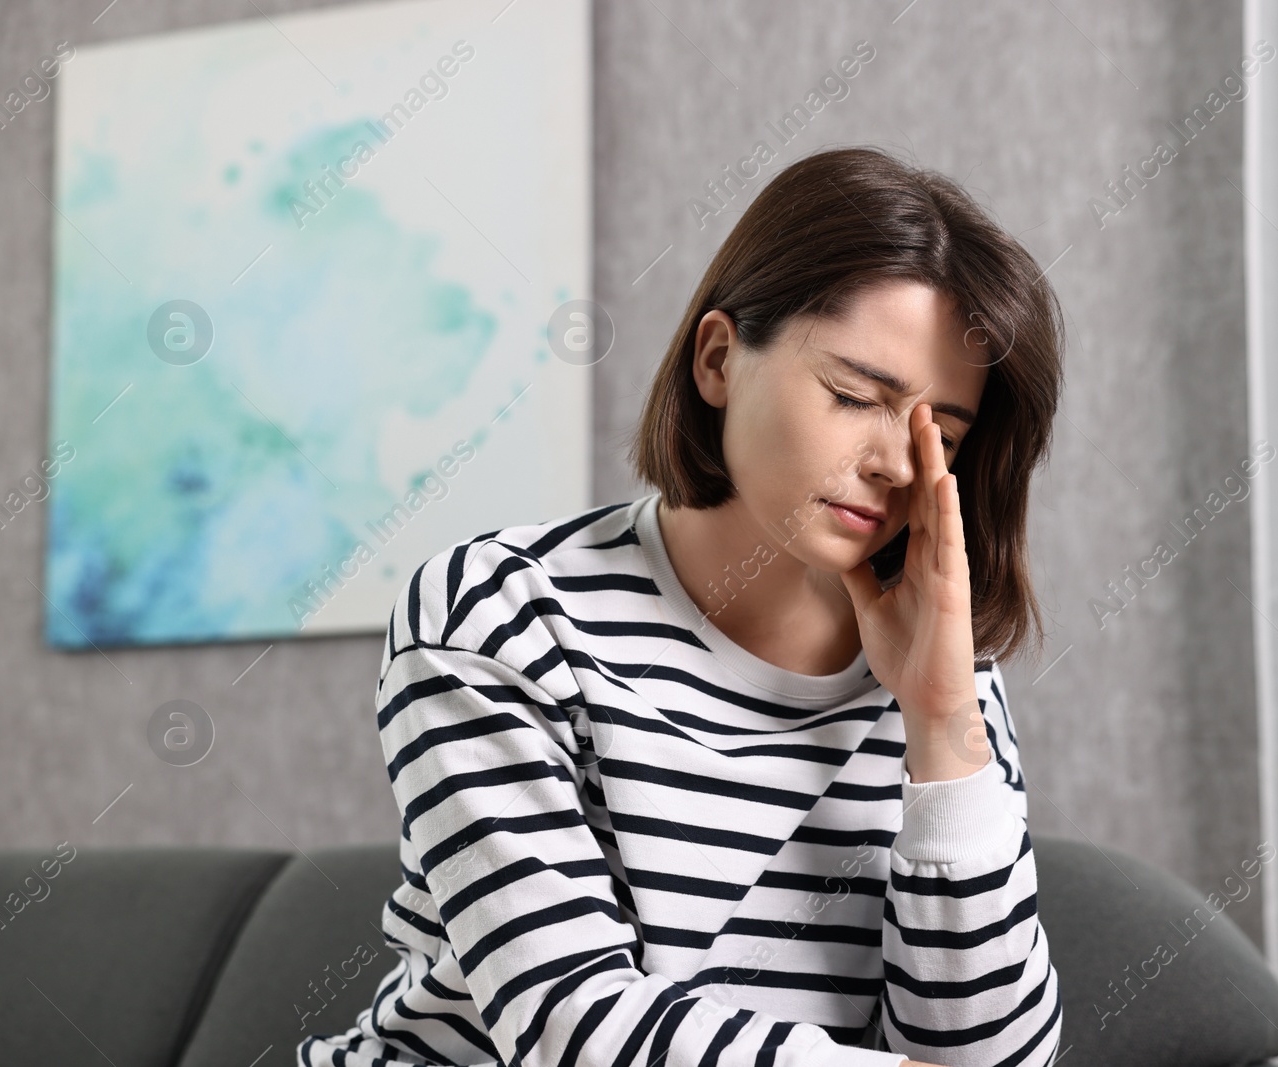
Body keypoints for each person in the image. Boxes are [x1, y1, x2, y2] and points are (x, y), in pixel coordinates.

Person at [299, 145, 1065, 1067]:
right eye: (855, 396)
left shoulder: (949, 675)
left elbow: (995, 1055)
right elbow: (571, 1028)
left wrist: (941, 724)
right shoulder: (499, 615)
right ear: (717, 360)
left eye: (940, 433)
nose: (897, 464)